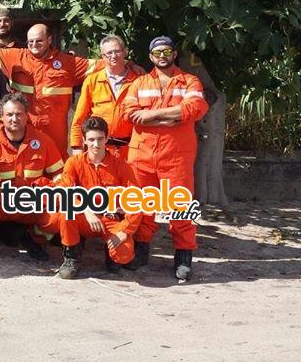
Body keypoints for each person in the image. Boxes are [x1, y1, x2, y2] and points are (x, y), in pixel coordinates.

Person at [121, 36, 208, 281]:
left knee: (180, 206)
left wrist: (151, 115)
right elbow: (128, 113)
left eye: (167, 51)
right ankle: (141, 250)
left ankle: (183, 256)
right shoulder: (138, 84)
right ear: (150, 57)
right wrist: (172, 116)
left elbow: (195, 109)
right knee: (141, 204)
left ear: (174, 53)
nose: (162, 55)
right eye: (157, 51)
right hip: (142, 155)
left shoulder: (189, 81)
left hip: (176, 156)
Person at [0, 93, 63, 260]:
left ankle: (35, 240)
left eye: (19, 114)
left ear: (26, 115)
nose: (14, 118)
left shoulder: (43, 141)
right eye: (9, 114)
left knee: (57, 217)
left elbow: (59, 174)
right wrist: (2, 195)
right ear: (1, 117)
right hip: (2, 203)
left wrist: (51, 194)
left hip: (33, 203)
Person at [55, 116, 140, 279]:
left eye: (100, 139)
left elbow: (136, 201)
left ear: (107, 138)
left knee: (123, 255)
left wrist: (125, 230)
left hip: (111, 219)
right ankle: (72, 256)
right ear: (84, 141)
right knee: (67, 213)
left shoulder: (121, 166)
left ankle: (111, 251)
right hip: (85, 218)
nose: (96, 144)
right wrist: (86, 210)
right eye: (91, 139)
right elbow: (64, 191)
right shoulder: (74, 162)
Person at [0, 23, 96, 158]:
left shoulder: (67, 63)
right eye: (30, 41)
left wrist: (129, 65)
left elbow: (106, 64)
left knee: (57, 166)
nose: (34, 44)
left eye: (39, 40)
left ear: (49, 40)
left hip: (55, 134)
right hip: (25, 127)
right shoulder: (14, 57)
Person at [69, 34, 140, 157]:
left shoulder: (139, 80)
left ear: (125, 52)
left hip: (131, 150)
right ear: (102, 56)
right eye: (109, 53)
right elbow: (79, 118)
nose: (113, 56)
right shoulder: (92, 81)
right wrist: (77, 147)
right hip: (99, 149)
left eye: (117, 51)